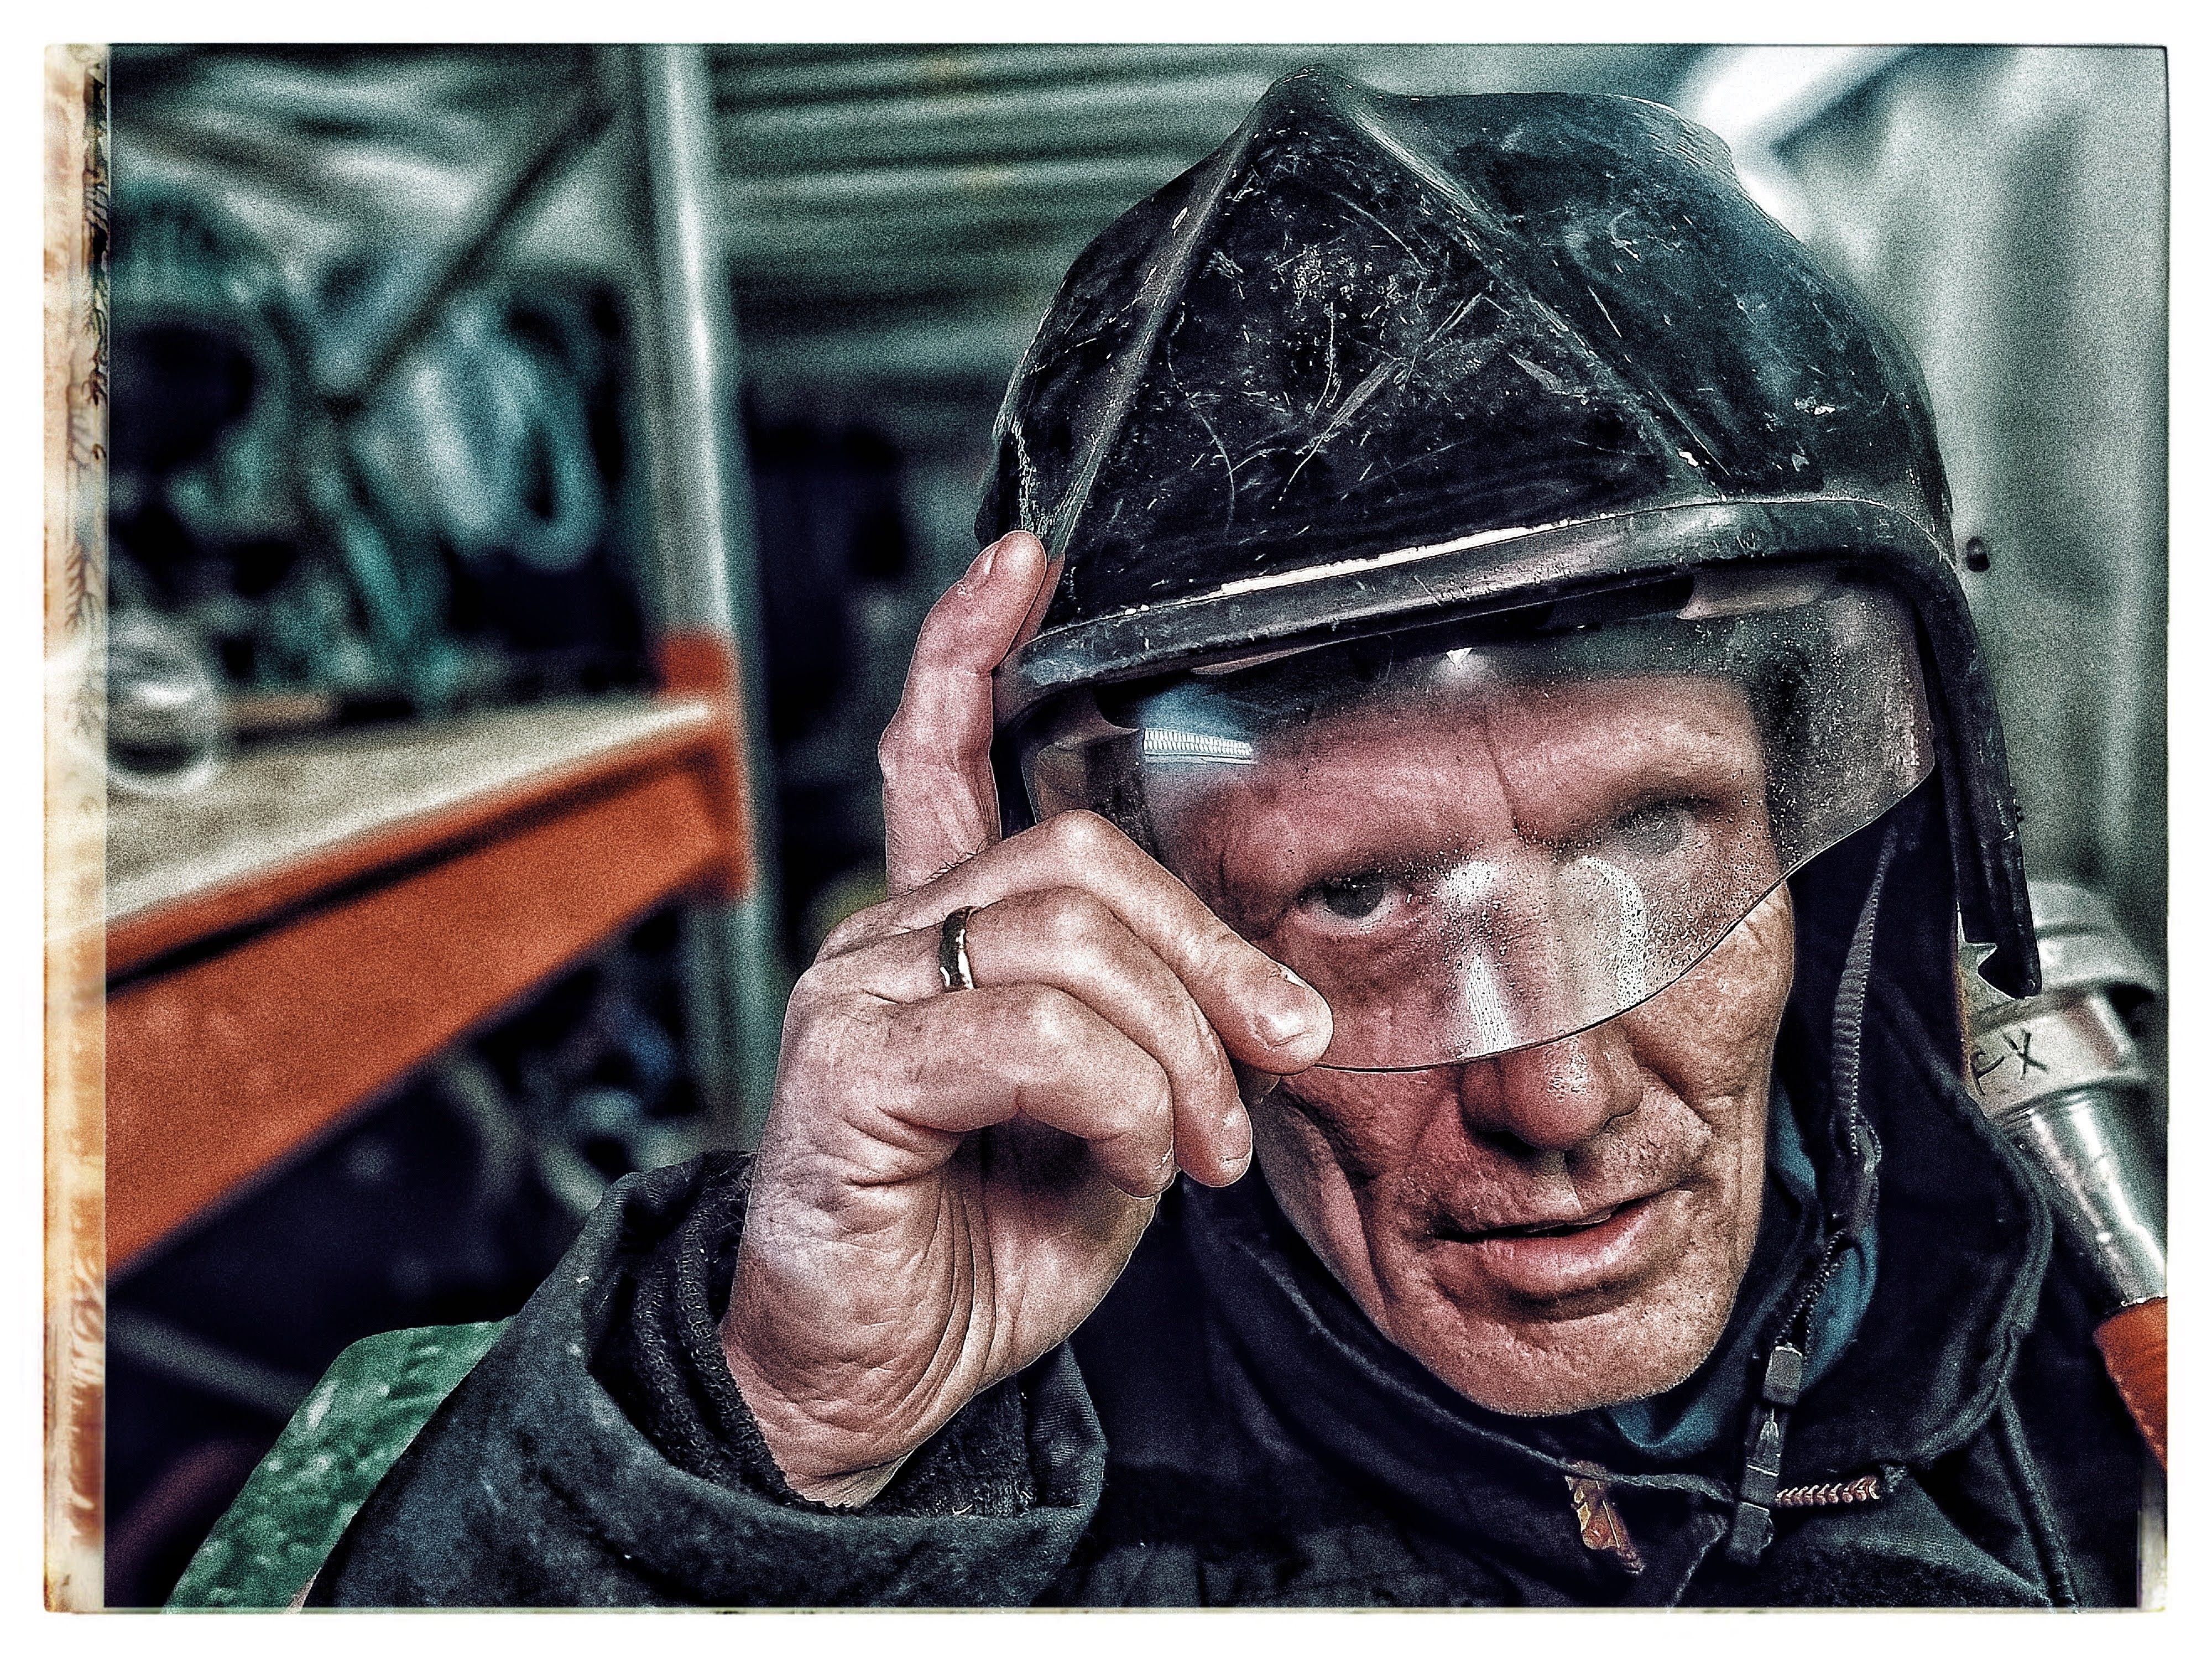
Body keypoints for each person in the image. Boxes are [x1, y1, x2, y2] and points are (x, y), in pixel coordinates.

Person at [171, 68, 2151, 1609]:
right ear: (1133, 922)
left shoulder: (2092, 1261)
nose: (1552, 1093)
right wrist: (772, 1431)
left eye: (1653, 844)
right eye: (1356, 896)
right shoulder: (1006, 1504)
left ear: (1837, 862)